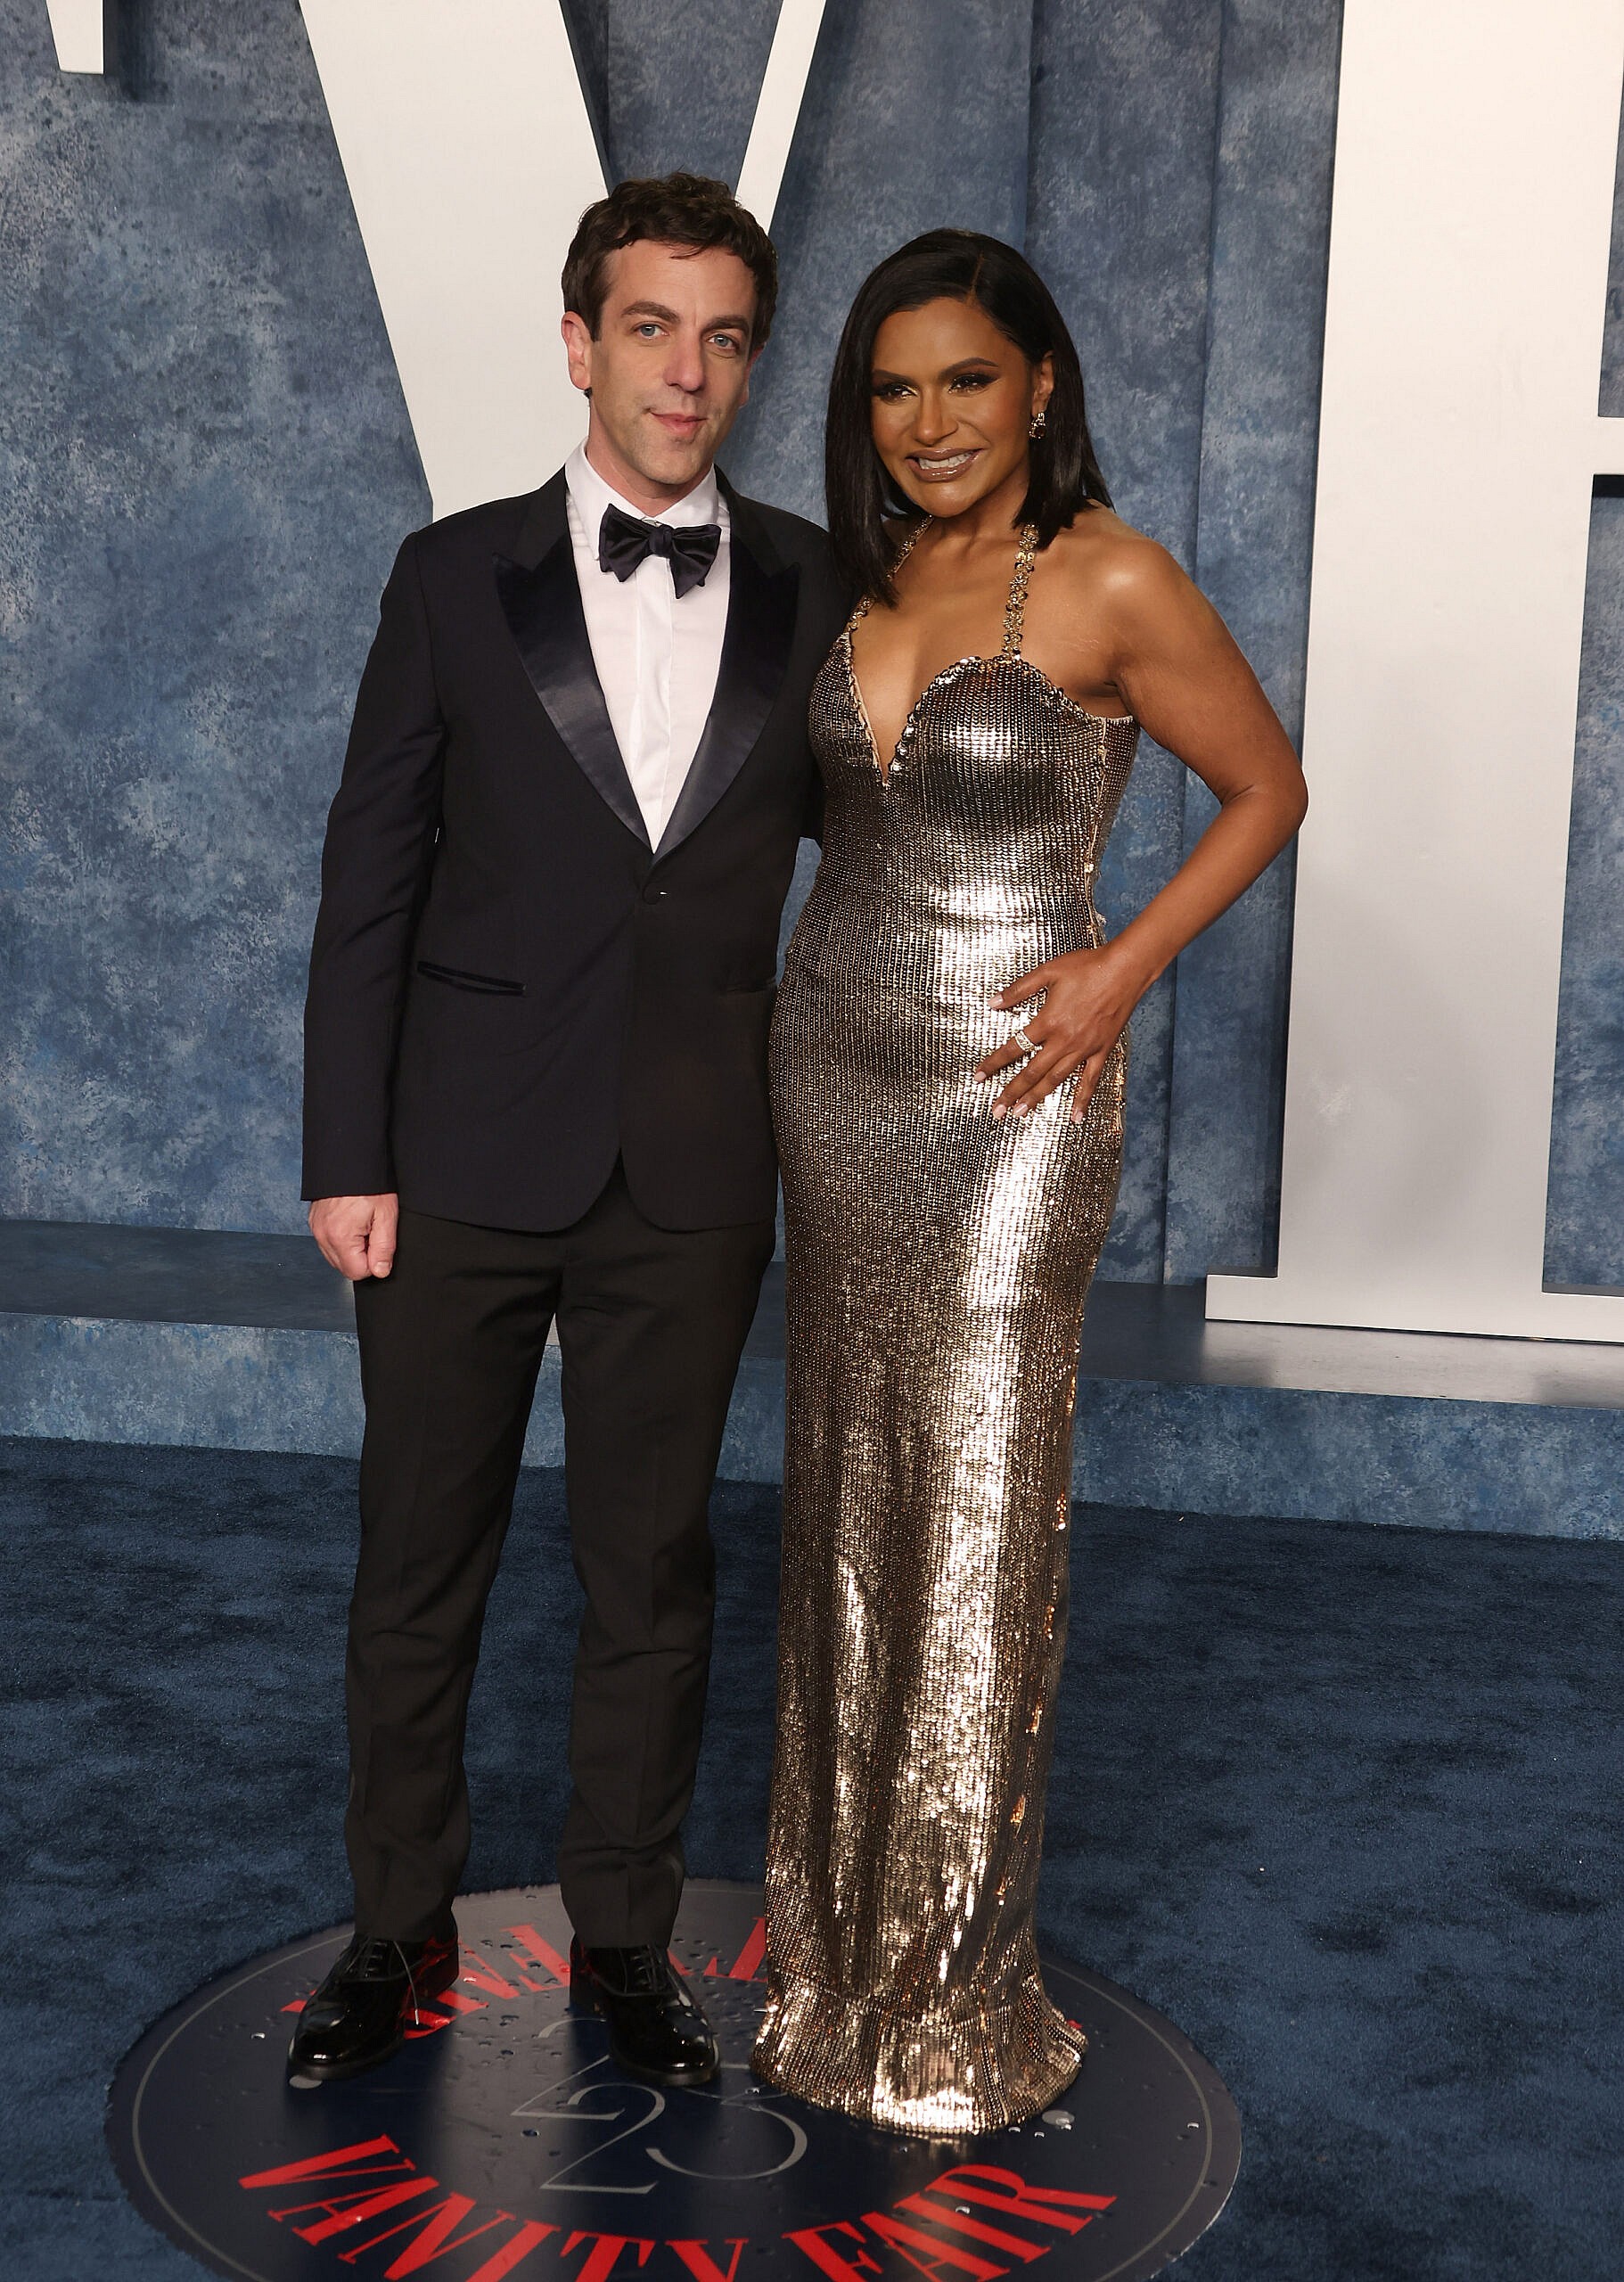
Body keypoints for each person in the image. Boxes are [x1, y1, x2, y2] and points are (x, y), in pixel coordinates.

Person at [752, 230, 1308, 2135]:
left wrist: (1120, 962)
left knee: (975, 1514)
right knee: (844, 1495)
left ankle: (948, 1997)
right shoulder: (852, 580)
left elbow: (1266, 786)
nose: (927, 421)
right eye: (892, 387)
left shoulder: (1111, 576)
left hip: (1013, 1090)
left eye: (964, 380)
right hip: (829, 1068)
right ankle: (829, 1964)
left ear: (1041, 384)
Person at [292, 173, 845, 2089]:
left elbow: (866, 875)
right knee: (414, 1556)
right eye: (647, 327)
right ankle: (393, 1924)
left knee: (653, 1567)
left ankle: (624, 1936)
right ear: (577, 338)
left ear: (748, 363)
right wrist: (341, 1155)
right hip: (447, 1160)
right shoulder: (452, 577)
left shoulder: (814, 586)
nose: (684, 371)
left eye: (720, 336)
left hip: (694, 1177)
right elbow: (369, 878)